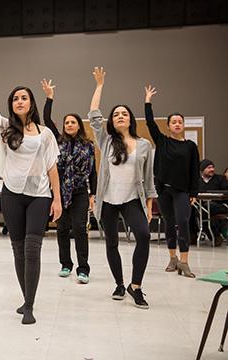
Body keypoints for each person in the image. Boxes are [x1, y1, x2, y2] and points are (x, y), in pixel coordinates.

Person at [0, 48, 62, 325]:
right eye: (15, 98)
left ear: (31, 103)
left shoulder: (45, 133)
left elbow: (52, 166)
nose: (19, 101)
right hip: (12, 194)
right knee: (17, 249)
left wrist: (57, 199)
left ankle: (29, 305)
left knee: (31, 249)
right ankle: (26, 298)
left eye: (24, 97)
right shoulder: (4, 127)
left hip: (39, 195)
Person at [88, 67, 157, 309]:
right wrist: (99, 85)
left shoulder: (144, 145)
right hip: (107, 199)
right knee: (111, 243)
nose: (119, 116)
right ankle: (119, 283)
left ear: (130, 119)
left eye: (124, 114)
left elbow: (149, 180)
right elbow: (93, 115)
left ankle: (135, 286)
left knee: (144, 236)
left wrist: (149, 207)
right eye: (116, 114)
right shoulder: (106, 141)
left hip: (132, 200)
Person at [41, 79, 97, 284]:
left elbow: (93, 171)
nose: (70, 125)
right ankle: (66, 264)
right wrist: (49, 97)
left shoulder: (88, 145)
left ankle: (83, 268)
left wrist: (93, 195)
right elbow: (47, 119)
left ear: (79, 125)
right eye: (67, 123)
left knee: (80, 228)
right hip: (60, 192)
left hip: (81, 191)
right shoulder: (58, 141)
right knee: (62, 229)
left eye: (73, 122)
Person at [144, 85, 200, 276]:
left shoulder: (191, 146)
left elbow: (194, 170)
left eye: (180, 122)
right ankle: (172, 259)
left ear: (183, 125)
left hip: (182, 191)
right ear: (168, 126)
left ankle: (184, 262)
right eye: (173, 122)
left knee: (183, 222)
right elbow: (150, 123)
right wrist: (148, 101)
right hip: (164, 190)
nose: (177, 124)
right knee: (169, 223)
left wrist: (194, 193)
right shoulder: (162, 141)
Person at [197, 159, 228, 246]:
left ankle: (215, 236)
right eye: (209, 167)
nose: (212, 169)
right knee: (192, 210)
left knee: (204, 209)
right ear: (202, 170)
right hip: (201, 205)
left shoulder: (220, 179)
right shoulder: (197, 181)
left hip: (220, 205)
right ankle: (191, 235)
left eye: (213, 167)